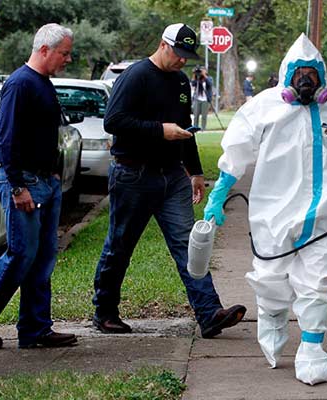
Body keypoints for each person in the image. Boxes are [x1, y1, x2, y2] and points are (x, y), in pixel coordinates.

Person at [204, 33, 327, 385]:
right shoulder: (262, 108)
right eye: (299, 73)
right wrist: (218, 194)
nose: (305, 81)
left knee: (321, 280)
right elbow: (236, 151)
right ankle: (272, 317)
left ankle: (312, 347)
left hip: (324, 217)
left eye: (312, 74)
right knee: (270, 278)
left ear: (322, 76)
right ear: (286, 74)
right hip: (272, 213)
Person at [92, 23, 246, 338]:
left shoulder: (179, 81)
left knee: (189, 244)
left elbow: (185, 129)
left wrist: (196, 171)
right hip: (133, 174)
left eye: (187, 56)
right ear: (163, 45)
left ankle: (209, 313)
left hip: (172, 176)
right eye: (179, 54)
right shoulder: (135, 76)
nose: (182, 61)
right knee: (120, 245)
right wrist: (160, 130)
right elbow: (114, 121)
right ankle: (105, 311)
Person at [0, 23, 77, 350]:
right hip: (23, 181)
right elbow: (6, 140)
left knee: (42, 258)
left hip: (45, 180)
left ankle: (36, 328)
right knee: (21, 254)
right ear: (44, 50)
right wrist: (18, 187)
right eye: (64, 53)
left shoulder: (43, 84)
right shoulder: (19, 84)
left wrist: (53, 175)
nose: (67, 59)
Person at [191, 66, 213, 131]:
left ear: (206, 71)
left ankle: (203, 129)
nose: (201, 72)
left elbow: (210, 84)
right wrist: (194, 75)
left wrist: (204, 76)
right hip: (197, 99)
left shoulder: (209, 78)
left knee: (204, 116)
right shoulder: (198, 79)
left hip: (205, 100)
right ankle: (195, 127)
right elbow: (193, 83)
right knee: (196, 115)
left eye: (203, 70)